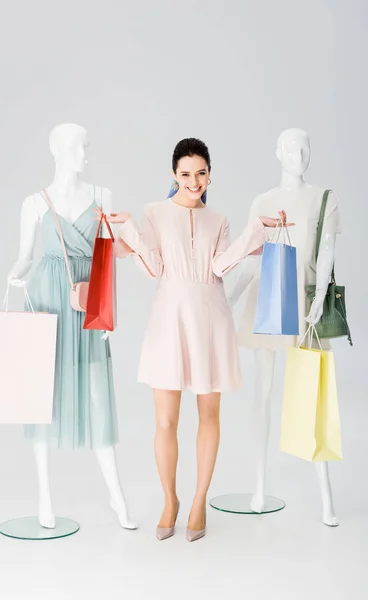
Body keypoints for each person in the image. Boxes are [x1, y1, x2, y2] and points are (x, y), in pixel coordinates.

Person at [99, 138, 293, 542]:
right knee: (165, 420)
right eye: (185, 174)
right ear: (174, 174)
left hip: (210, 317)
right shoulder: (154, 213)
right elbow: (152, 268)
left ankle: (199, 499)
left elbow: (221, 265)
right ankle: (170, 499)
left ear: (210, 175)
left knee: (209, 415)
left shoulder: (218, 218)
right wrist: (130, 227)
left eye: (201, 173)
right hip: (169, 318)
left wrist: (255, 229)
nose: (194, 181)